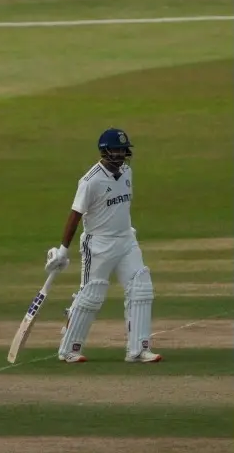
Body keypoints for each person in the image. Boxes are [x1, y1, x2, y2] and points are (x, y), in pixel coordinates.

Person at [45, 128, 162, 364]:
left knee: (141, 288)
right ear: (104, 151)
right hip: (97, 244)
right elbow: (75, 215)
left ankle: (138, 350)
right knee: (92, 295)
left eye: (122, 150)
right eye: (115, 150)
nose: (120, 155)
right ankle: (69, 349)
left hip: (126, 241)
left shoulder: (127, 172)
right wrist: (63, 250)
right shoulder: (91, 181)